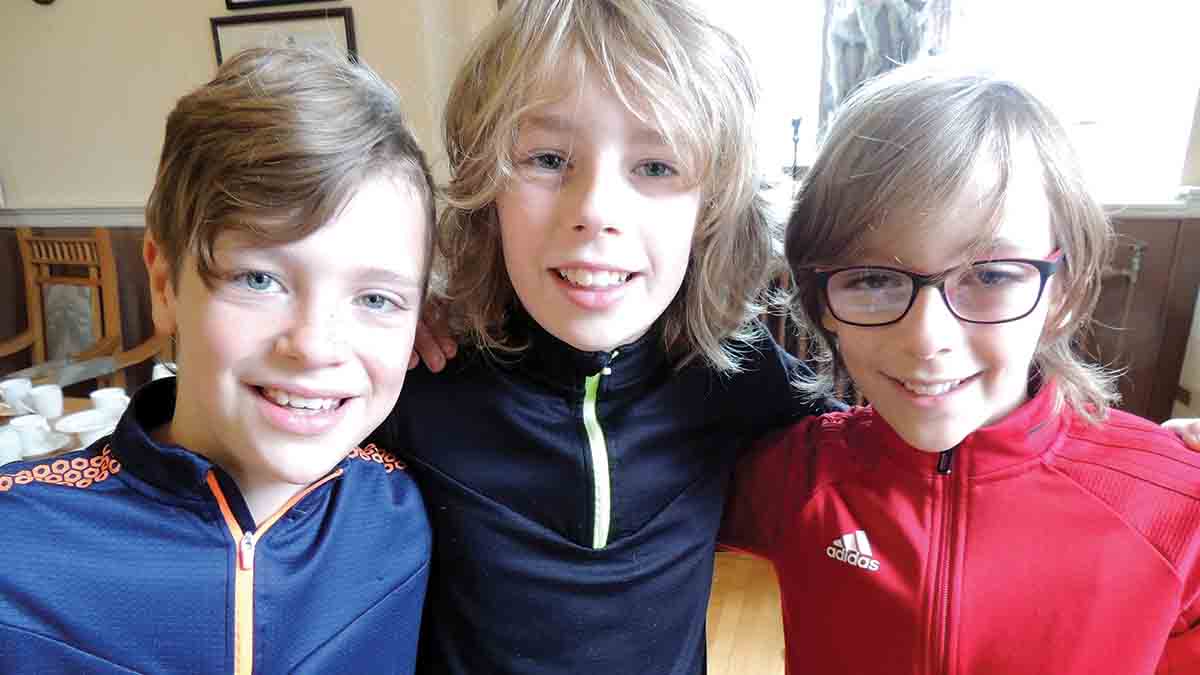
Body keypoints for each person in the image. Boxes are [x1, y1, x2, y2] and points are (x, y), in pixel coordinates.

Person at [369, 1, 834, 672]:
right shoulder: (418, 377)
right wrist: (375, 317)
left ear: (710, 210)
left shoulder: (734, 373)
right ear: (486, 190)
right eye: (548, 158)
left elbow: (883, 453)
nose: (594, 210)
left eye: (655, 167)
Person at [721, 64, 1200, 674]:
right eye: (872, 279)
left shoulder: (1177, 505)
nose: (927, 339)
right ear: (823, 305)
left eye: (990, 275)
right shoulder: (792, 475)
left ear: (1065, 292)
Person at [0, 47, 435, 674]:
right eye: (259, 279)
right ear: (163, 284)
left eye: (375, 299)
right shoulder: (17, 549)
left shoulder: (403, 506)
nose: (315, 346)